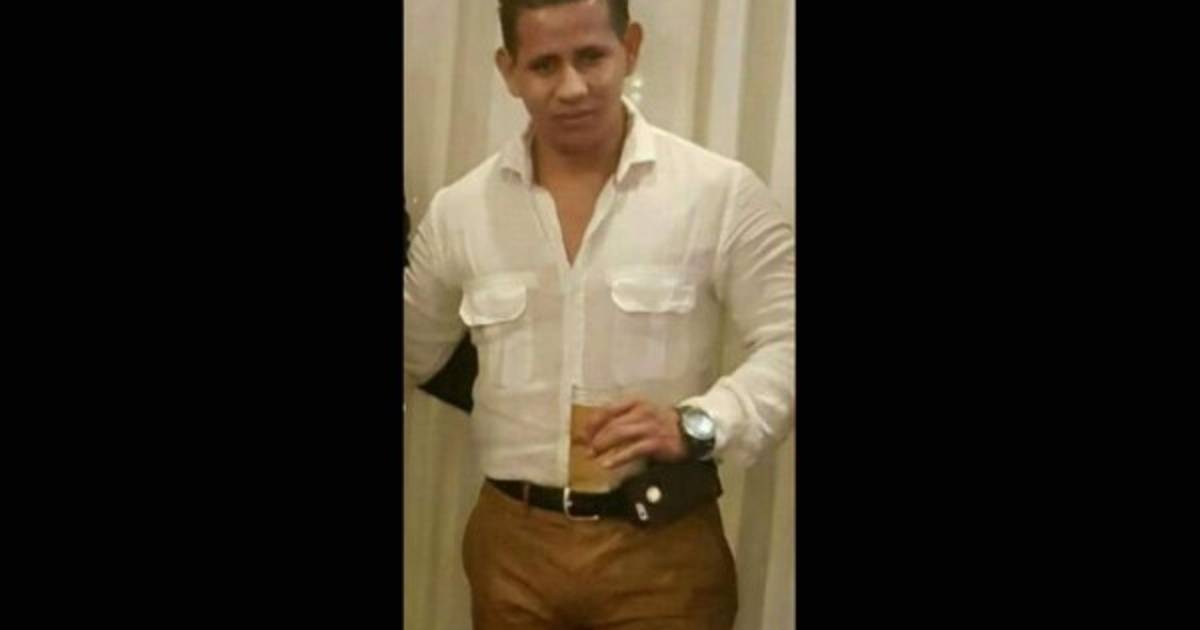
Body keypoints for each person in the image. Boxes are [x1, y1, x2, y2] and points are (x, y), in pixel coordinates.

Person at [404, 0, 794, 627]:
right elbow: (417, 349)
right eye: (544, 65)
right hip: (511, 549)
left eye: (591, 57)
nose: (572, 88)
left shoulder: (718, 193)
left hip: (663, 548)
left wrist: (700, 424)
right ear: (508, 70)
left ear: (630, 47)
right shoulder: (460, 212)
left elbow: (787, 339)